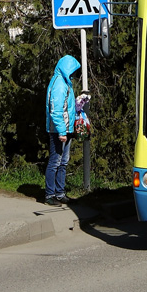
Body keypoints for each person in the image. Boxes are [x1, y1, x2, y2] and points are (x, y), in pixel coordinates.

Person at [44, 54, 81, 206]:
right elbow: (56, 110)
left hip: (65, 128)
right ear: (67, 69)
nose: (74, 74)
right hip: (59, 130)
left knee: (63, 162)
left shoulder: (65, 82)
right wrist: (61, 132)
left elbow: (67, 106)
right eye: (73, 70)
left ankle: (59, 193)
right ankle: (49, 194)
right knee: (55, 162)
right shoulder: (60, 84)